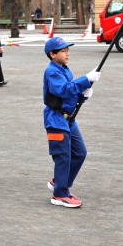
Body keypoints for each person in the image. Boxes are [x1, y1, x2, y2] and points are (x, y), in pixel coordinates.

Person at [43, 37, 100, 208]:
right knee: (63, 157)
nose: (67, 53)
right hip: (56, 119)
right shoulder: (52, 72)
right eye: (63, 50)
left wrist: (83, 94)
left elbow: (70, 95)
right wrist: (84, 79)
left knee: (79, 152)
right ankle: (59, 194)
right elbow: (63, 90)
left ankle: (59, 182)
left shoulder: (65, 70)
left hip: (69, 118)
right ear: (52, 54)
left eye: (67, 50)